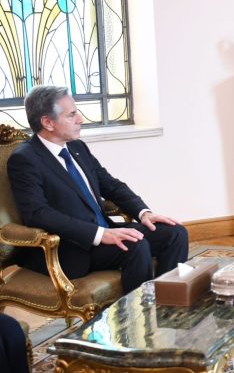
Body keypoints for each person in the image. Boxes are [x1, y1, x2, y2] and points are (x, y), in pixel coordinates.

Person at [7, 85, 188, 294]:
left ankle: (168, 302)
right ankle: (139, 313)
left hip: (105, 231)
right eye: (71, 115)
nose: (80, 119)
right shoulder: (25, 159)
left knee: (175, 233)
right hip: (73, 247)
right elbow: (38, 214)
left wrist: (143, 212)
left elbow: (110, 185)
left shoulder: (77, 147)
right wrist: (99, 234)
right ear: (47, 122)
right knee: (135, 246)